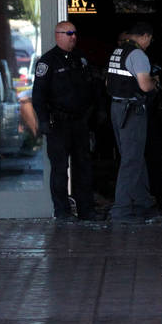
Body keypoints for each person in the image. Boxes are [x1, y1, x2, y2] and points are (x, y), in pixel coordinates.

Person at [32, 21, 104, 221]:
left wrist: (98, 111)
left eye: (75, 33)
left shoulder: (80, 59)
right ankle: (62, 211)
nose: (73, 36)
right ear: (58, 35)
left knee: (84, 167)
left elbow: (93, 86)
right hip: (58, 123)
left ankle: (86, 209)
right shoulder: (47, 62)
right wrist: (44, 121)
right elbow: (38, 95)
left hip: (80, 122)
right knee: (60, 169)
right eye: (69, 33)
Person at [106, 22, 158, 223]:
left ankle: (142, 201)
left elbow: (107, 82)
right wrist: (156, 82)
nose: (149, 44)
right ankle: (122, 210)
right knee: (131, 160)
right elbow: (145, 86)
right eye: (149, 40)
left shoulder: (118, 51)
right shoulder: (138, 55)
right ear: (145, 36)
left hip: (117, 108)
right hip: (131, 111)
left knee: (133, 156)